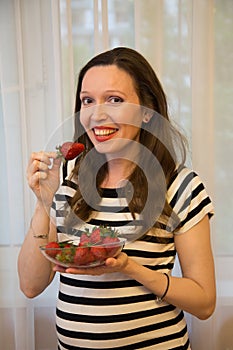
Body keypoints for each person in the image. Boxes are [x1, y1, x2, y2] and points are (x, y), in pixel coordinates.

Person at [18, 47, 216, 350]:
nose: (97, 114)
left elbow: (204, 303)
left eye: (115, 100)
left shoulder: (180, 185)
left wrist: (128, 267)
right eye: (87, 100)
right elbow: (31, 286)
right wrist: (43, 203)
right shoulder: (67, 176)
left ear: (147, 111)